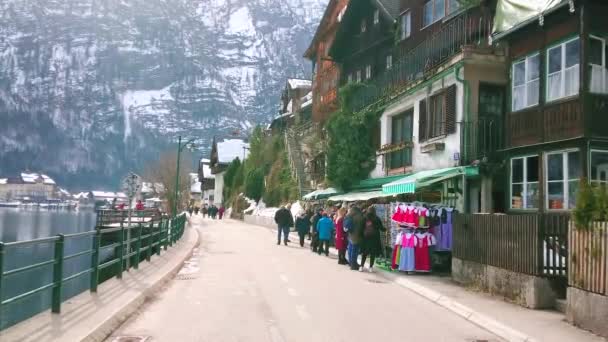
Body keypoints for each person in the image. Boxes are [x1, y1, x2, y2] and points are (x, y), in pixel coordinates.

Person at [360, 206, 386, 273]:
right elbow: (381, 228)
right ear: (374, 211)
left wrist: (361, 235)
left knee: (364, 253)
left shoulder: (364, 218)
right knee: (372, 253)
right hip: (374, 238)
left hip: (365, 238)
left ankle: (361, 266)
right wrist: (385, 229)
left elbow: (361, 227)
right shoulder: (377, 218)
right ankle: (370, 267)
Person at [345, 206, 364, 271]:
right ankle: (353, 265)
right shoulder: (359, 216)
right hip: (356, 235)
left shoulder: (349, 215)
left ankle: (351, 263)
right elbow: (361, 227)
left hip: (350, 235)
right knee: (355, 250)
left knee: (350, 249)